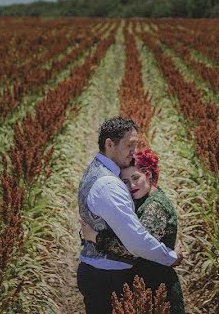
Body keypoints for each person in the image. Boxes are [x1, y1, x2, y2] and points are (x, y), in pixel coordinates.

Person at [77, 117, 183, 314]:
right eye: (129, 145)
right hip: (106, 278)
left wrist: (94, 237)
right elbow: (135, 243)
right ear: (110, 144)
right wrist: (171, 257)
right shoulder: (109, 184)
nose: (134, 151)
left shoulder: (94, 170)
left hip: (102, 274)